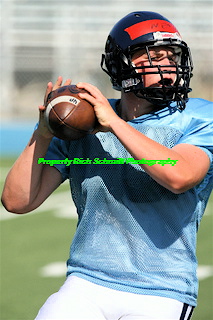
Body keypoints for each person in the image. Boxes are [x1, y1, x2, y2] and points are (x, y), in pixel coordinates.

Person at [1, 11, 212, 320]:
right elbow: (17, 201)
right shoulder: (84, 124)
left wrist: (114, 124)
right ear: (122, 64)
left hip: (161, 288)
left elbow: (179, 175)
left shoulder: (199, 116)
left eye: (172, 57)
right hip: (86, 282)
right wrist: (43, 133)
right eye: (156, 56)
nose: (169, 67)